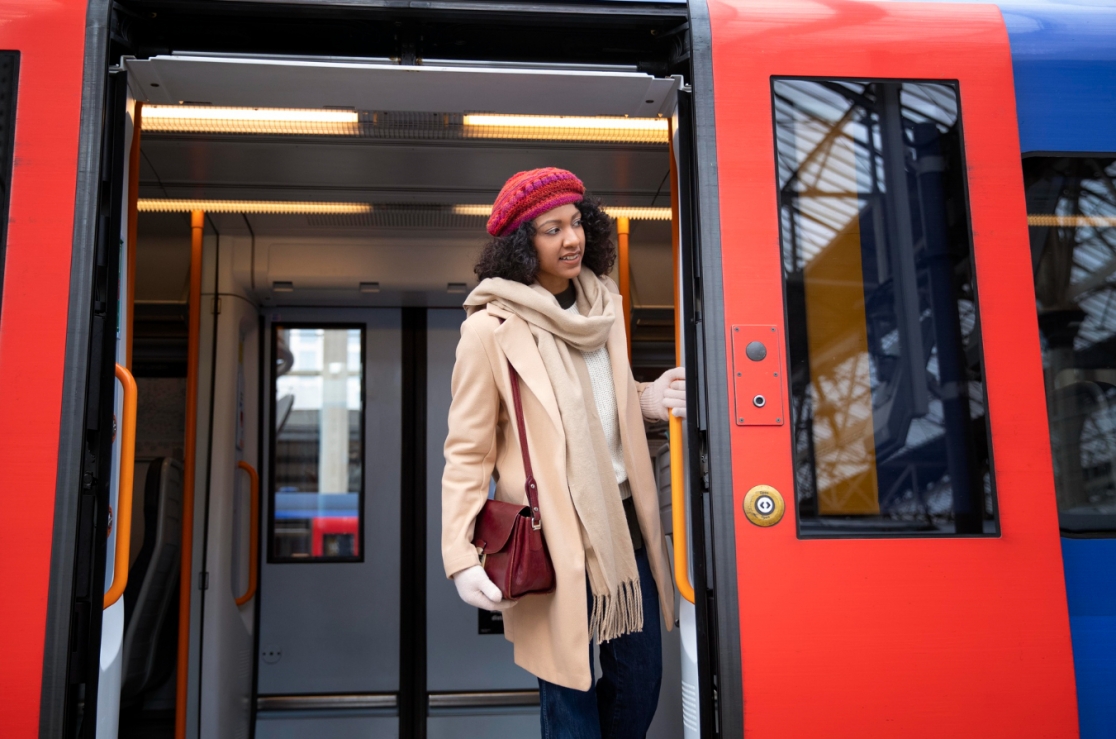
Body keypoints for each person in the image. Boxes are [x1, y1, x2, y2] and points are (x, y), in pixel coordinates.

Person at [441, 167, 686, 739]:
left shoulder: (602, 308)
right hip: (550, 528)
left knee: (640, 679)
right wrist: (459, 554)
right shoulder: (489, 330)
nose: (571, 239)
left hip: (619, 519)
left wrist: (649, 399)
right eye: (551, 229)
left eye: (576, 223)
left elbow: (602, 401)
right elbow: (467, 451)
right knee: (569, 692)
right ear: (521, 246)